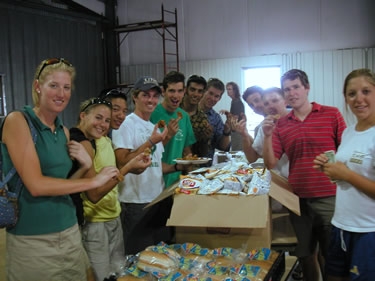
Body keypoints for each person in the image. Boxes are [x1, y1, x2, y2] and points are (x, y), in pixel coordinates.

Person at [3, 58, 120, 281]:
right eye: (53, 85)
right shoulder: (18, 121)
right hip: (34, 240)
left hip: (69, 232)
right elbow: (36, 185)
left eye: (66, 87)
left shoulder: (63, 132)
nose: (61, 93)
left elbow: (63, 187)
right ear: (38, 87)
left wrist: (84, 167)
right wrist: (93, 181)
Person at [262, 69, 347, 281]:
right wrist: (266, 136)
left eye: (296, 87)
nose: (291, 93)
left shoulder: (331, 113)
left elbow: (346, 148)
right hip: (298, 200)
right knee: (306, 256)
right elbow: (270, 162)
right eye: (287, 89)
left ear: (306, 88)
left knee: (333, 257)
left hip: (330, 197)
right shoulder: (282, 124)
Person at [71, 93, 151, 281]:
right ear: (83, 115)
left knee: (119, 273)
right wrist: (128, 168)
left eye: (106, 119)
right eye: (99, 117)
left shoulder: (105, 140)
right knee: (102, 277)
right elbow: (94, 194)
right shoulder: (83, 143)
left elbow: (116, 174)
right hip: (95, 222)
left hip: (113, 216)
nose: (104, 123)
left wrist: (133, 166)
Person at [313, 69, 375, 281]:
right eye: (351, 94)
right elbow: (351, 173)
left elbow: (351, 175)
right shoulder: (349, 132)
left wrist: (346, 174)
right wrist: (331, 168)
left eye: (366, 91)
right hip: (340, 225)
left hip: (368, 230)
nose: (359, 99)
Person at [150, 71, 196, 244]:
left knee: (176, 234)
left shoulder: (183, 116)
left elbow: (187, 147)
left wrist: (190, 162)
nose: (175, 96)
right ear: (163, 91)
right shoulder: (153, 114)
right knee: (158, 235)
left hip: (177, 183)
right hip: (156, 184)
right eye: (171, 91)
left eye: (179, 91)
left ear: (184, 92)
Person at [237, 87, 289, 178]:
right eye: (251, 105)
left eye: (257, 100)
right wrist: (244, 135)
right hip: (278, 180)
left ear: (285, 101)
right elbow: (254, 158)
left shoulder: (297, 119)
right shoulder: (263, 127)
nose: (255, 106)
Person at [198, 78, 234, 162]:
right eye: (210, 93)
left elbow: (224, 147)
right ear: (204, 92)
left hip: (206, 168)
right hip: (184, 166)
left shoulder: (216, 118)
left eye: (216, 96)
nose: (212, 98)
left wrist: (226, 131)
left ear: (219, 98)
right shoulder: (188, 113)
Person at [180, 75, 213, 157]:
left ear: (203, 93)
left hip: (190, 164)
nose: (196, 94)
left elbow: (203, 153)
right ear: (186, 90)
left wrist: (205, 139)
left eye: (200, 91)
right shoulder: (174, 109)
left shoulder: (202, 119)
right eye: (192, 90)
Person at [225, 81, 245, 151]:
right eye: (227, 89)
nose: (227, 91)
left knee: (237, 152)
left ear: (235, 90)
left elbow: (235, 118)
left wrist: (227, 113)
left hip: (237, 131)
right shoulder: (234, 101)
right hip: (236, 131)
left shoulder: (236, 102)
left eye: (229, 89)